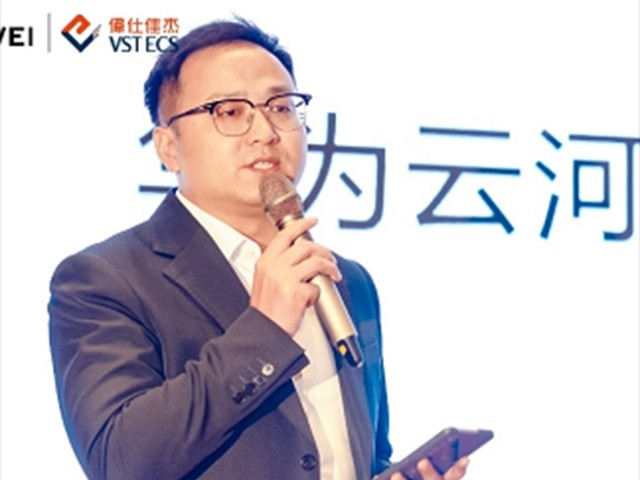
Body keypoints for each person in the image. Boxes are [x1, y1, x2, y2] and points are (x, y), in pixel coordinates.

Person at [48, 17, 470, 480]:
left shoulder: (347, 280)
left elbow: (357, 454)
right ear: (168, 146)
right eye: (230, 111)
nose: (265, 131)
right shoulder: (105, 279)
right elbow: (118, 460)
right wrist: (265, 329)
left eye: (281, 107)